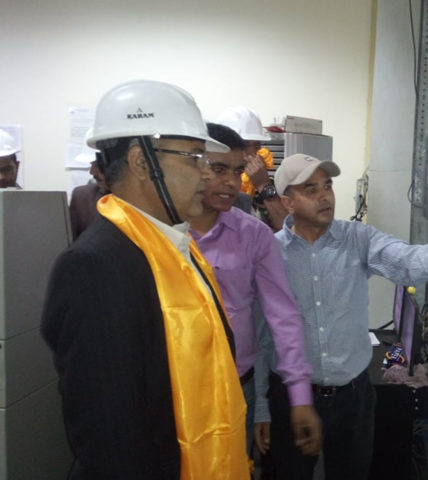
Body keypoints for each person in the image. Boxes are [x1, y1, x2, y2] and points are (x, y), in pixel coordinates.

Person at [41, 80, 249, 479]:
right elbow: (110, 439)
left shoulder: (173, 248)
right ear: (141, 162)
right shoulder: (95, 267)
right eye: (195, 157)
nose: (207, 173)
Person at [255, 154, 428, 479]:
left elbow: (405, 259)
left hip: (352, 399)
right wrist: (260, 407)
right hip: (290, 397)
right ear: (287, 202)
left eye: (327, 186)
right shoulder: (270, 253)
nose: (325, 196)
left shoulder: (357, 238)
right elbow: (262, 334)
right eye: (311, 189)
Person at [188, 122, 321, 458]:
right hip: (175, 389)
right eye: (219, 169)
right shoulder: (159, 235)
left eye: (237, 171)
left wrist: (300, 397)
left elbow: (282, 316)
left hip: (237, 387)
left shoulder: (254, 235)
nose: (232, 182)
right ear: (192, 165)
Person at [216, 106, 288, 230]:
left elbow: (287, 230)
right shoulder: (211, 182)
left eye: (256, 145)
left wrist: (263, 185)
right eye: (244, 145)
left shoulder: (263, 183)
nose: (251, 153)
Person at [69, 156, 109, 239]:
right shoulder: (82, 196)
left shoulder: (136, 198)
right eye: (92, 164)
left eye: (99, 165)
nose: (91, 172)